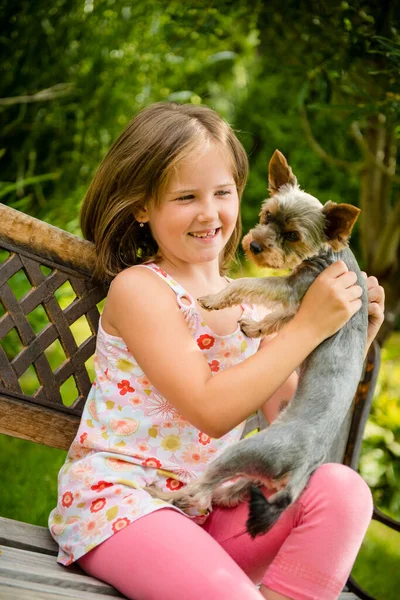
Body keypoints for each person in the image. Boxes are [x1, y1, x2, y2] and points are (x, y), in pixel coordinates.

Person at [49, 102, 385, 600]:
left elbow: (291, 417)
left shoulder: (252, 303)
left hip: (213, 508)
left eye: (223, 193)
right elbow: (209, 409)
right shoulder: (141, 290)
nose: (209, 213)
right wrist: (308, 326)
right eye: (186, 196)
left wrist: (351, 337)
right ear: (143, 207)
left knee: (345, 490)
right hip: (126, 505)